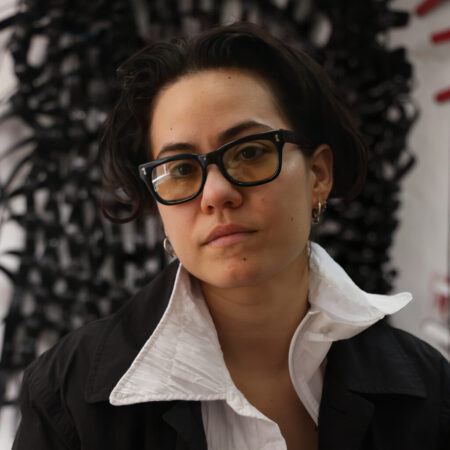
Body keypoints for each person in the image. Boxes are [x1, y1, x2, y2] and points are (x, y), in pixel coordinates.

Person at [13, 21, 449, 450]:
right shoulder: (67, 400)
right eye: (181, 169)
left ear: (317, 174)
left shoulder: (430, 394)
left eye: (251, 152)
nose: (217, 193)